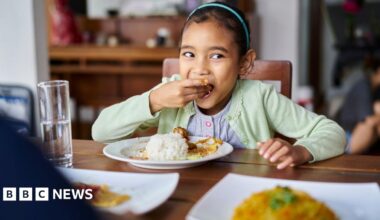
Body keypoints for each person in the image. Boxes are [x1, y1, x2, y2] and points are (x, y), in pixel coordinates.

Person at [92, 1, 345, 169]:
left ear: (245, 64)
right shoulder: (168, 94)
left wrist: (300, 151)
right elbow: (101, 132)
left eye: (216, 56)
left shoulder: (259, 98)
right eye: (189, 54)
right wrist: (154, 100)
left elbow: (333, 133)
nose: (200, 68)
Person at [337, 56, 380, 154]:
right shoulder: (363, 86)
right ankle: (347, 153)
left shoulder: (376, 89)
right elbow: (368, 120)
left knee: (378, 107)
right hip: (347, 135)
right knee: (370, 123)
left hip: (356, 132)